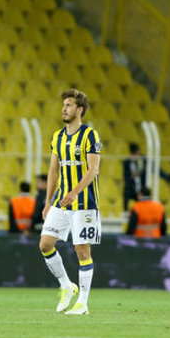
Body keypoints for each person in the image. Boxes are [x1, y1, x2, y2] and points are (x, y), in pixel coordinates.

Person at [39, 89, 101, 315]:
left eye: (69, 105)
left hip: (84, 203)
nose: (64, 109)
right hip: (61, 202)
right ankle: (66, 285)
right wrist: (48, 202)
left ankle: (82, 304)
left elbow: (93, 170)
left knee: (82, 251)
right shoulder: (57, 136)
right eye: (63, 105)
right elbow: (53, 171)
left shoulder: (90, 135)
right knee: (45, 245)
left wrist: (75, 192)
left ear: (80, 110)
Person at [122, 142, 170, 211]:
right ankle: (125, 211)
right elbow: (126, 178)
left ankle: (166, 177)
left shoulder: (144, 159)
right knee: (126, 191)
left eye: (138, 154)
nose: (137, 156)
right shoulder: (127, 163)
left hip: (142, 188)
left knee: (146, 192)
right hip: (131, 188)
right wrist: (133, 176)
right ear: (131, 154)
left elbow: (154, 167)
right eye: (135, 154)